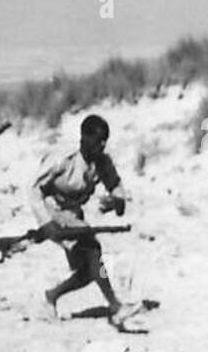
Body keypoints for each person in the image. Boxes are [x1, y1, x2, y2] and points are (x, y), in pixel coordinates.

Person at [29, 114, 134, 326]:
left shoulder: (102, 161)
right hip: (52, 209)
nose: (102, 145)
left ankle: (52, 296)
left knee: (89, 270)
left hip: (73, 213)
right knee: (93, 251)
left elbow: (116, 186)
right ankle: (115, 305)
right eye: (98, 140)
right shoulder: (63, 158)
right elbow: (34, 189)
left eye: (105, 140)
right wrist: (46, 224)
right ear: (84, 138)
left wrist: (117, 201)